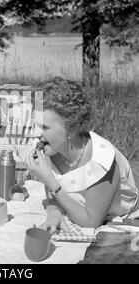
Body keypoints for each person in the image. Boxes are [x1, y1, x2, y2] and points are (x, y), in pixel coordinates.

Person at [27, 77, 138, 233]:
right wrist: (54, 212)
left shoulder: (101, 162)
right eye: (34, 125)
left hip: (121, 220)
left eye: (44, 127)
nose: (34, 134)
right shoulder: (52, 148)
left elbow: (90, 222)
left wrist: (50, 181)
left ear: (71, 127)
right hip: (76, 212)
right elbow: (53, 195)